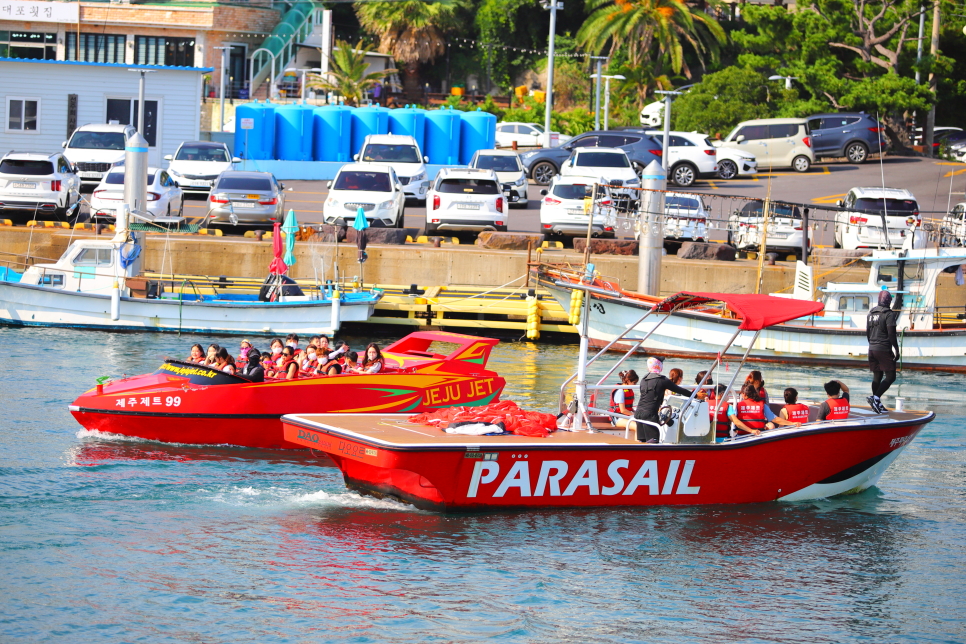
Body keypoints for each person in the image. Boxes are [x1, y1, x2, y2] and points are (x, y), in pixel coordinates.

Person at [632, 357, 700, 443]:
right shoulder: (662, 380)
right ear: (659, 365)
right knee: (653, 441)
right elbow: (679, 390)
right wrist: (696, 395)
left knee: (642, 440)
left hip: (638, 413)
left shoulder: (644, 379)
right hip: (649, 414)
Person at [867, 289, 899, 413]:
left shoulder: (871, 314)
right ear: (888, 300)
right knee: (891, 376)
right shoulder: (889, 314)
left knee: (877, 376)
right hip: (883, 348)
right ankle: (875, 398)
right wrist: (896, 349)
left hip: (872, 348)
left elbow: (868, 333)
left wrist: (872, 345)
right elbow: (892, 334)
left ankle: (876, 405)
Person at [728, 383, 799, 436]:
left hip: (741, 437)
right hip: (758, 436)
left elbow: (735, 421)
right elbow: (775, 419)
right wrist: (791, 423)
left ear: (744, 394)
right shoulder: (762, 405)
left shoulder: (738, 406)